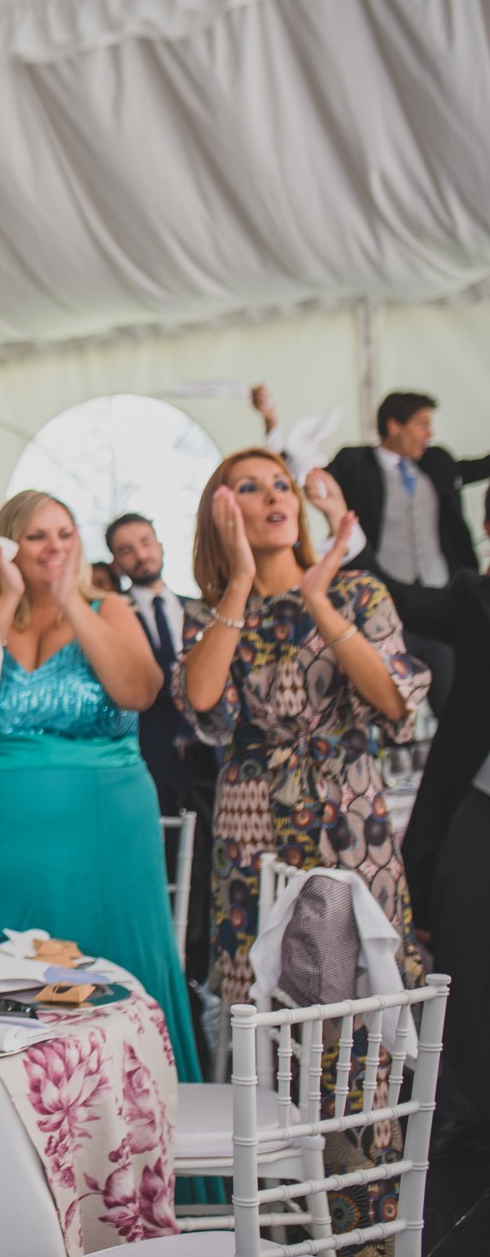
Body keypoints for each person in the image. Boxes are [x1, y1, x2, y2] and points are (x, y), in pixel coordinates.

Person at [178, 448, 428, 1233]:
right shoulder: (213, 609)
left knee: (357, 1018)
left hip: (349, 830)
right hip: (253, 838)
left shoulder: (355, 590)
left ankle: (362, 1224)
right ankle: (282, 1227)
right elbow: (204, 703)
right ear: (224, 515)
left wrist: (319, 598)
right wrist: (244, 582)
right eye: (247, 488)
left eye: (280, 483)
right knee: (264, 1018)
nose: (272, 496)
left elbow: (394, 702)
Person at [0, 491, 198, 1079]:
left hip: (104, 832)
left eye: (64, 533)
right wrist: (7, 597)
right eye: (36, 536)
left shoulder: (108, 609)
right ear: (7, 545)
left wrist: (71, 604)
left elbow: (139, 692)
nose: (53, 547)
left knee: (113, 967)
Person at [388, 565, 490, 1158]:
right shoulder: (473, 597)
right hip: (481, 793)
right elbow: (400, 592)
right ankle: (462, 1099)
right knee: (467, 944)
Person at [106, 512, 219, 989]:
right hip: (149, 761)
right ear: (116, 560)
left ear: (160, 544)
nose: (140, 554)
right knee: (163, 860)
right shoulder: (115, 617)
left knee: (211, 862)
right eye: (127, 549)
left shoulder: (201, 609)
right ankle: (167, 965)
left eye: (145, 542)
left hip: (206, 759)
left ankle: (205, 964)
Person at [323, 390, 488, 714]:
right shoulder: (356, 463)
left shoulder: (437, 463)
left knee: (452, 701)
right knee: (383, 705)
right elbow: (314, 477)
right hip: (383, 605)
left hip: (439, 598)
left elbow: (478, 468)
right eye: (423, 424)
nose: (430, 434)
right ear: (394, 425)